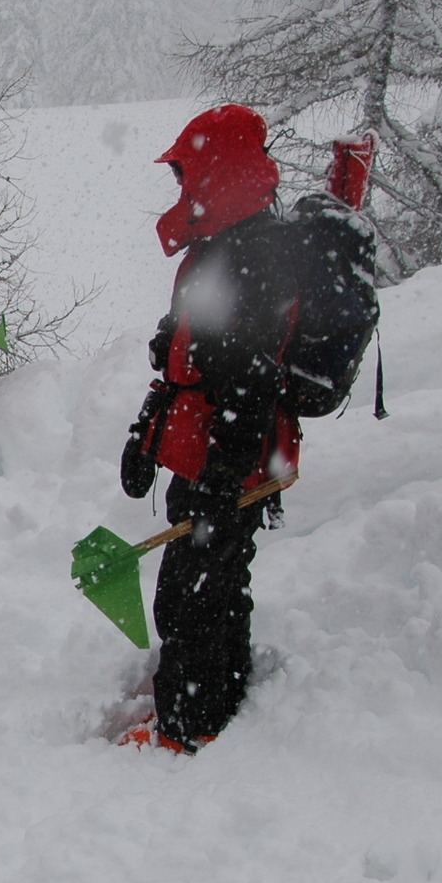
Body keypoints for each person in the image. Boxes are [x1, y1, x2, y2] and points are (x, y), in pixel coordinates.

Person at [123, 104, 299, 752]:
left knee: (191, 596)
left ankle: (188, 723)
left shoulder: (254, 253)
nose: (181, 189)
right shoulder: (220, 245)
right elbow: (186, 361)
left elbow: (249, 376)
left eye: (187, 174)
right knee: (216, 584)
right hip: (207, 452)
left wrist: (227, 471)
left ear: (219, 172)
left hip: (227, 460)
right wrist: (145, 436)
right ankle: (221, 693)